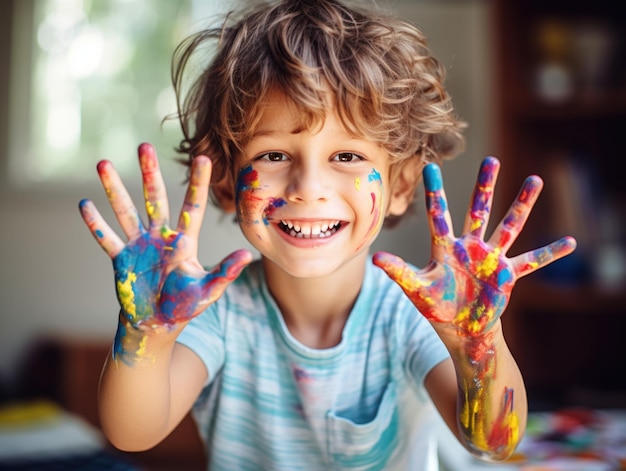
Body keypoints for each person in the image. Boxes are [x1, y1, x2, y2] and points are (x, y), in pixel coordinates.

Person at [78, 0, 577, 469]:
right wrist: (145, 334)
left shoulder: (414, 316)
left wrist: (479, 342)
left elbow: (493, 442)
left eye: (348, 156)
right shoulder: (220, 316)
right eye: (273, 155)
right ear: (227, 183)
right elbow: (132, 434)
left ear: (401, 185)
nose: (309, 188)